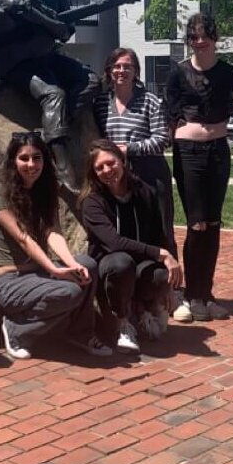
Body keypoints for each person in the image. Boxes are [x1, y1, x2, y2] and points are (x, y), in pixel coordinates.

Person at [0, 0, 101, 193]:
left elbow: (66, 30)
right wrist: (46, 20)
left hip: (47, 56)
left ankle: (56, 129)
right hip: (17, 62)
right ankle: (61, 167)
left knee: (91, 80)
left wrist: (56, 27)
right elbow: (13, 5)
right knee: (54, 94)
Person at [0, 131, 112, 360]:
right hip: (13, 280)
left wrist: (72, 264)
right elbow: (24, 239)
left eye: (37, 158)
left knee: (88, 265)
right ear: (13, 161)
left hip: (40, 273)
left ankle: (80, 334)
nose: (31, 164)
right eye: (24, 158)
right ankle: (16, 329)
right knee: (70, 292)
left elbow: (52, 232)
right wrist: (55, 269)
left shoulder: (46, 190)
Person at [165, 12, 233, 323]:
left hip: (218, 151)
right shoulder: (178, 73)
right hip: (189, 153)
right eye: (194, 37)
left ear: (214, 38)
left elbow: (231, 109)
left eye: (204, 36)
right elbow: (171, 114)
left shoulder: (230, 73)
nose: (199, 42)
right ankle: (192, 295)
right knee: (196, 224)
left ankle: (206, 294)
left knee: (213, 223)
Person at [80, 139, 182, 354]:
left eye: (111, 163)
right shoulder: (92, 202)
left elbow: (159, 235)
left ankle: (144, 307)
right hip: (110, 269)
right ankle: (122, 323)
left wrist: (169, 285)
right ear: (93, 173)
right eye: (99, 167)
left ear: (123, 161)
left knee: (162, 274)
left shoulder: (144, 192)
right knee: (121, 263)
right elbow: (114, 242)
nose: (107, 170)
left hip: (140, 267)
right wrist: (161, 254)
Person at [93, 48, 176, 258]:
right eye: (117, 66)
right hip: (115, 175)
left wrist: (128, 149)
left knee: (160, 229)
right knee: (127, 228)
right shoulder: (101, 103)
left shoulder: (150, 101)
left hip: (149, 173)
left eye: (127, 67)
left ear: (136, 71)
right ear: (109, 70)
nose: (122, 71)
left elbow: (162, 140)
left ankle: (169, 274)